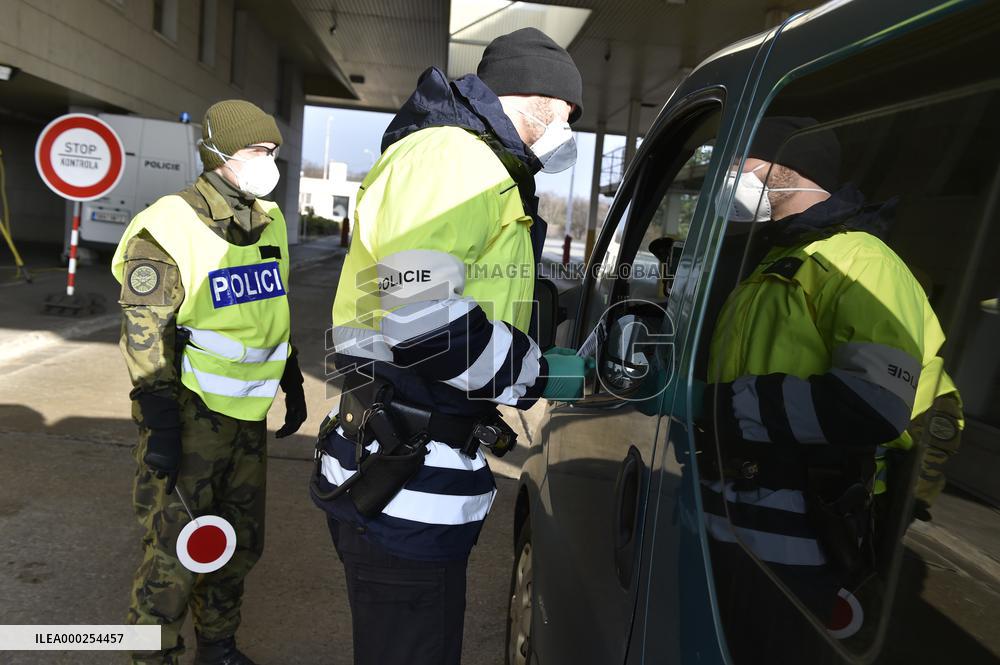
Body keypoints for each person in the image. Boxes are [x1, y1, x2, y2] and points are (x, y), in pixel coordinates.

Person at [311, 28, 590, 665]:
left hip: (407, 462)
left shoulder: (468, 160)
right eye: (569, 114)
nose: (569, 128)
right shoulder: (454, 159)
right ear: (538, 96)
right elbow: (424, 320)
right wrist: (541, 373)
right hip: (404, 474)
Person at [693, 117, 945, 662]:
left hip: (808, 532)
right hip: (740, 517)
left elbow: (871, 404)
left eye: (744, 161)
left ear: (789, 168)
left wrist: (722, 409)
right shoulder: (774, 259)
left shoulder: (863, 263)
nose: (730, 174)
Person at [111, 100, 307, 665]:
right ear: (218, 153)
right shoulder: (168, 225)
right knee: (174, 554)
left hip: (246, 419)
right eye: (256, 151)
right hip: (190, 415)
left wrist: (289, 375)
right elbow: (144, 333)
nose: (268, 162)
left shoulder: (267, 222)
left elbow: (270, 306)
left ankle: (218, 648)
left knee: (236, 545)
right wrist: (160, 420)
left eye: (272, 152)